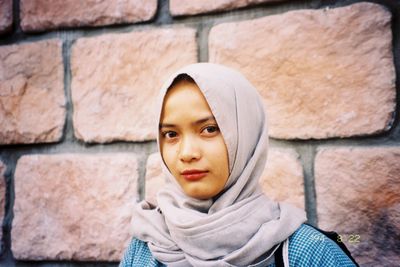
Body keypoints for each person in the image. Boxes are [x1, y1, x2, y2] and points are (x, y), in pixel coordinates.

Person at [120, 63, 357, 267]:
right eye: (171, 134)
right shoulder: (146, 246)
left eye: (209, 129)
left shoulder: (309, 252)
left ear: (246, 134)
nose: (187, 153)